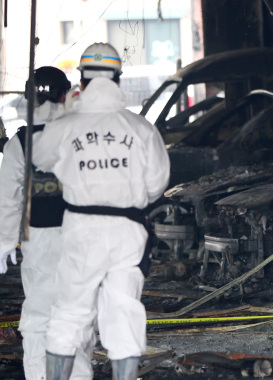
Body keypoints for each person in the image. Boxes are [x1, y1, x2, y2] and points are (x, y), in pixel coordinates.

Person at [32, 43, 170, 380]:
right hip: (127, 232)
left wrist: (66, 114)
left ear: (82, 81)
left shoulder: (65, 127)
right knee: (124, 311)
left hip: (82, 230)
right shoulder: (140, 128)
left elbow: (39, 159)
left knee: (69, 312)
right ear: (118, 80)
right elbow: (157, 185)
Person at [0, 66, 96, 380]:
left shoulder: (21, 143)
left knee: (40, 314)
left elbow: (8, 199)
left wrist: (4, 243)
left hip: (39, 237)